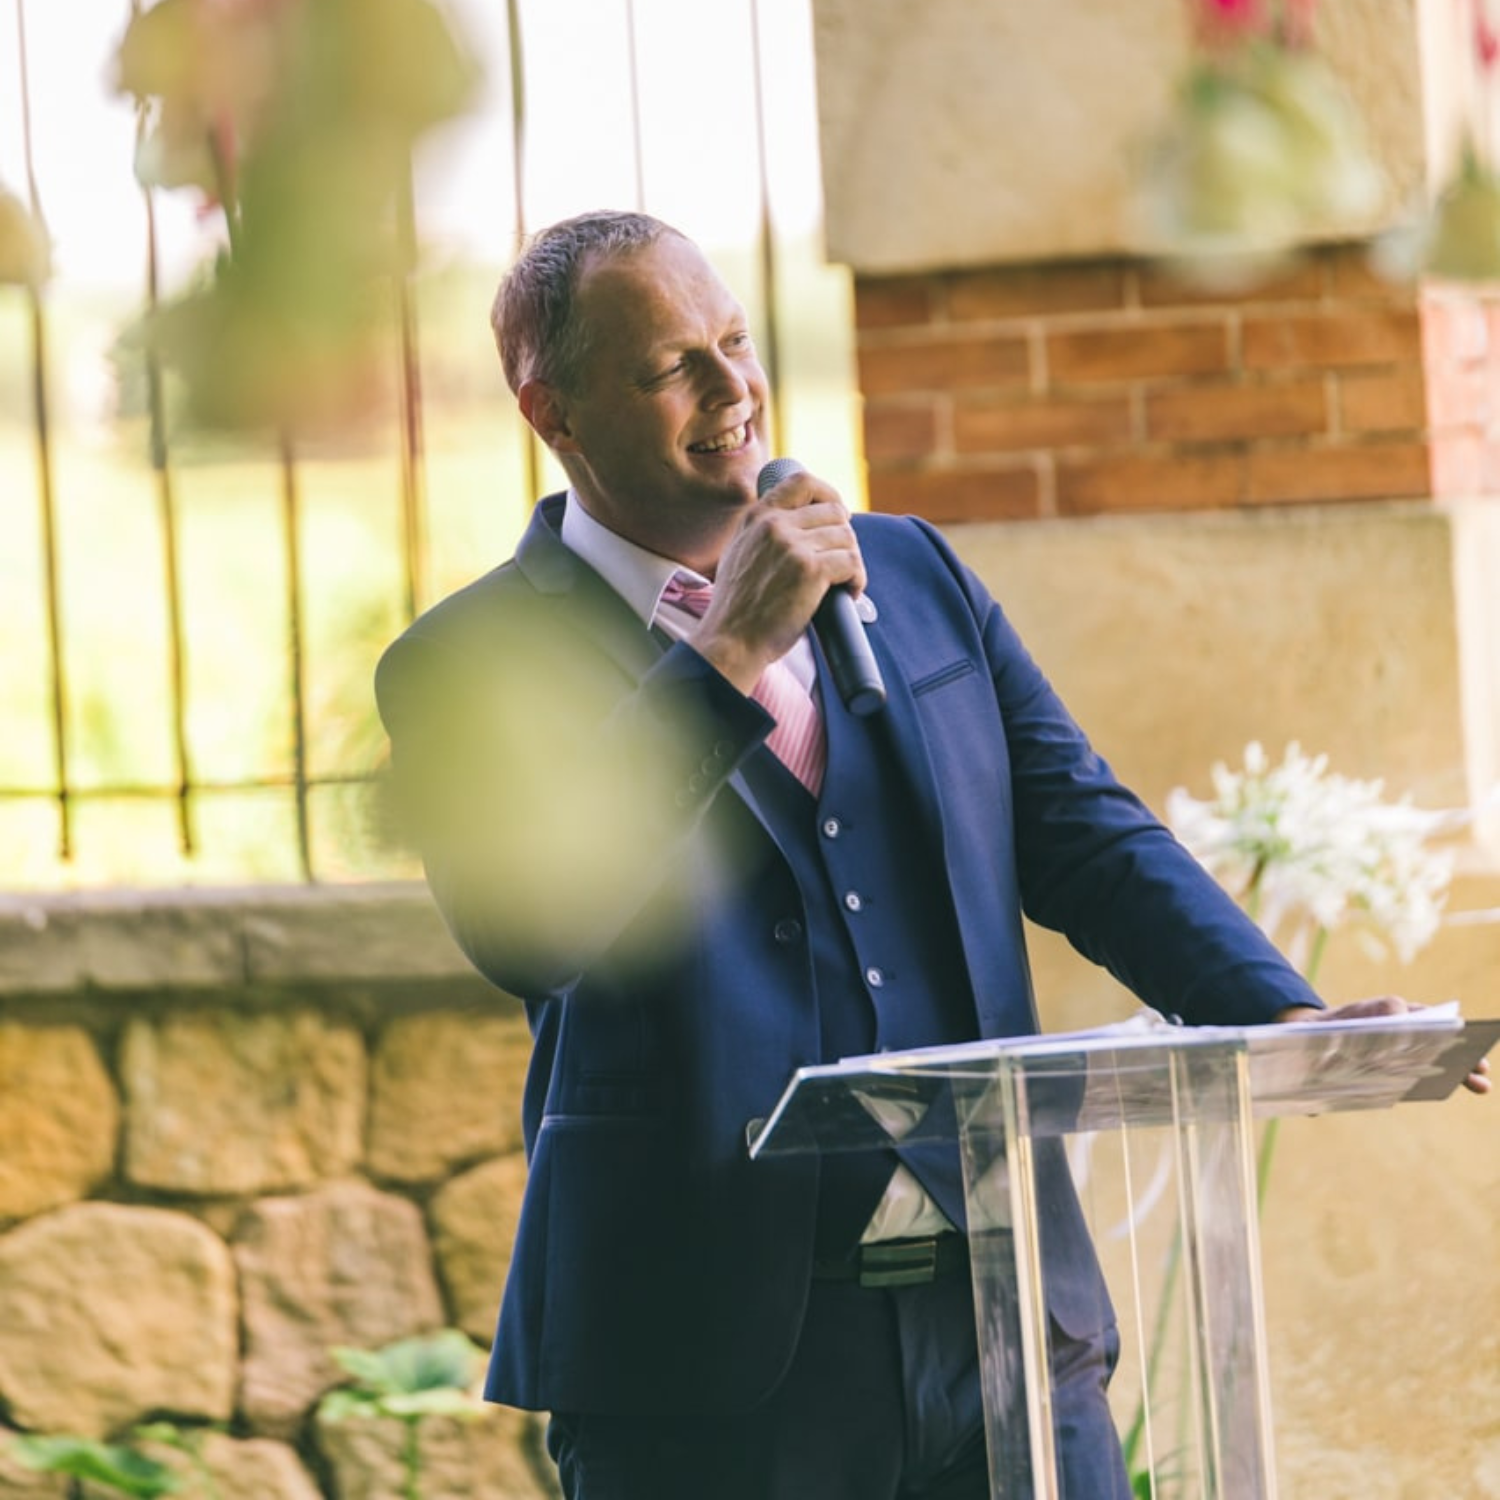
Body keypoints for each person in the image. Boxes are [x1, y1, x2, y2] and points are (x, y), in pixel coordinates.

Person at [374, 209, 1489, 1500]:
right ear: (552, 411)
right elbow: (532, 930)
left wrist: (1279, 1011)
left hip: (1008, 1320)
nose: (734, 389)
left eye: (735, 342)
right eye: (673, 366)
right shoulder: (465, 666)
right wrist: (726, 654)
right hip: (707, 1367)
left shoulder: (907, 572)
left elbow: (1081, 828)